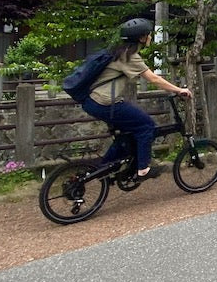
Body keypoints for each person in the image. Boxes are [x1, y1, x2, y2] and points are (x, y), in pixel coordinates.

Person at [82, 18, 192, 179]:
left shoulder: (118, 51)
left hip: (94, 102)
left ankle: (105, 167)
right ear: (141, 38)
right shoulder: (130, 56)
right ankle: (143, 169)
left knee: (128, 134)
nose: (150, 37)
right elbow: (154, 79)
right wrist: (179, 90)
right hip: (105, 103)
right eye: (148, 34)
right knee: (146, 126)